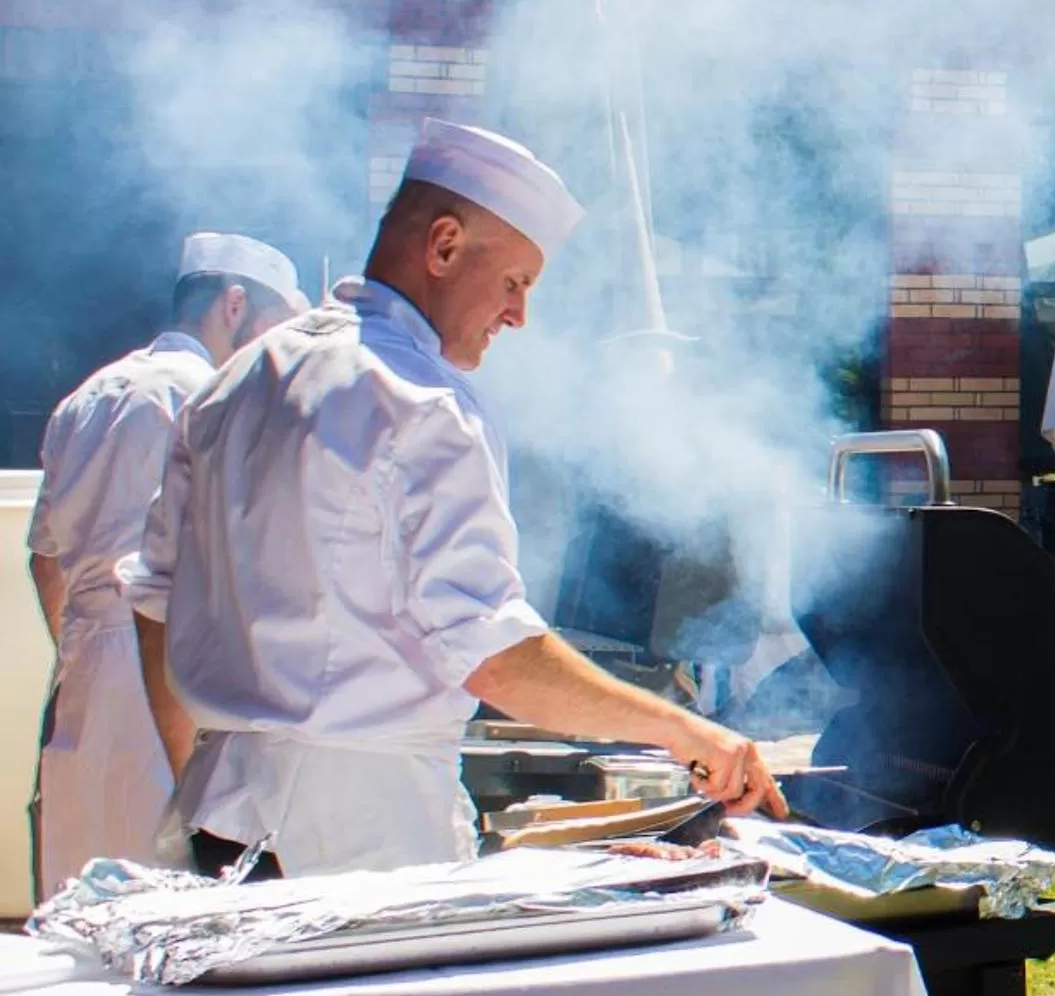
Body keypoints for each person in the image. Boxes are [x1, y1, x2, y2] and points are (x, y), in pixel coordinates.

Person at [124, 119, 785, 877]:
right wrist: (687, 733)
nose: (518, 316)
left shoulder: (232, 384)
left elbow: (153, 605)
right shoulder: (424, 403)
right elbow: (492, 655)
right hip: (358, 842)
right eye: (515, 282)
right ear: (442, 246)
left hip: (212, 816)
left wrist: (192, 777)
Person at [28, 233, 304, 895]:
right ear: (234, 306)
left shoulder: (85, 398)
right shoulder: (217, 397)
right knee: (164, 899)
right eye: (272, 330)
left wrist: (81, 655)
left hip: (82, 669)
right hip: (171, 671)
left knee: (79, 883)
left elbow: (45, 564)